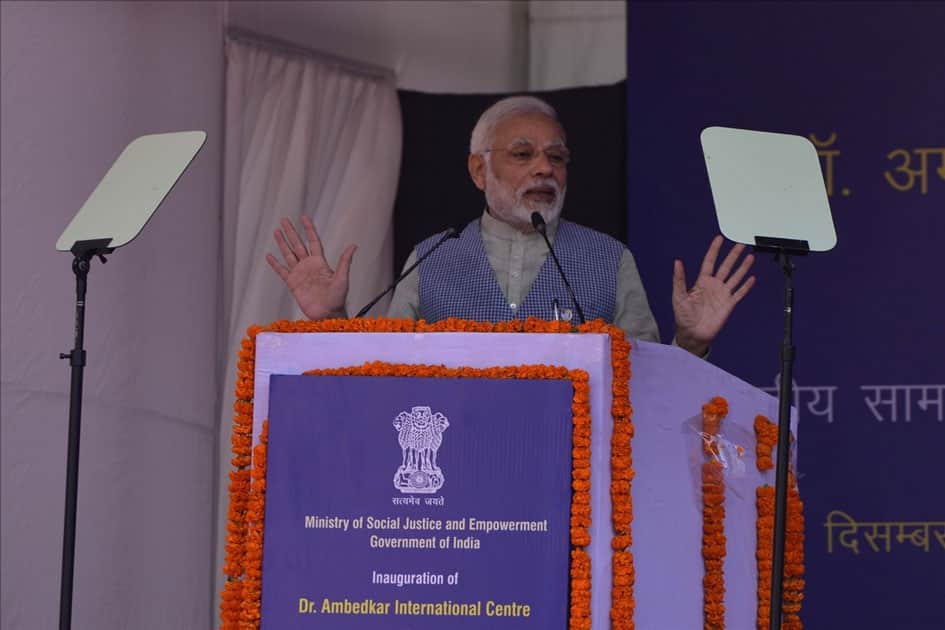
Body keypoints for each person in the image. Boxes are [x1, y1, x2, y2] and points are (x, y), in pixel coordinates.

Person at [266, 96, 755, 357]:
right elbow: (384, 367)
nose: (544, 169)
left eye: (557, 157)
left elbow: (649, 387)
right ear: (480, 171)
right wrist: (329, 319)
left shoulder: (609, 259)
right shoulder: (433, 256)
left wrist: (691, 343)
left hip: (576, 482)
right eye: (523, 154)